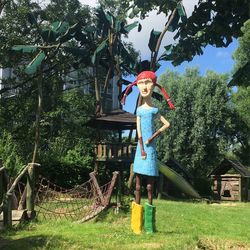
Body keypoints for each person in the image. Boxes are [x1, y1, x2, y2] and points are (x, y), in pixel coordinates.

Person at [121, 71, 174, 234]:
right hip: (141, 149)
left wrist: (153, 137)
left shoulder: (153, 110)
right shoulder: (139, 110)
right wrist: (143, 146)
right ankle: (136, 225)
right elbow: (138, 132)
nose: (144, 86)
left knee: (150, 186)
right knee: (138, 185)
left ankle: (150, 225)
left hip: (150, 149)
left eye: (147, 82)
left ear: (153, 85)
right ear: (137, 85)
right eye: (141, 83)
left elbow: (167, 124)